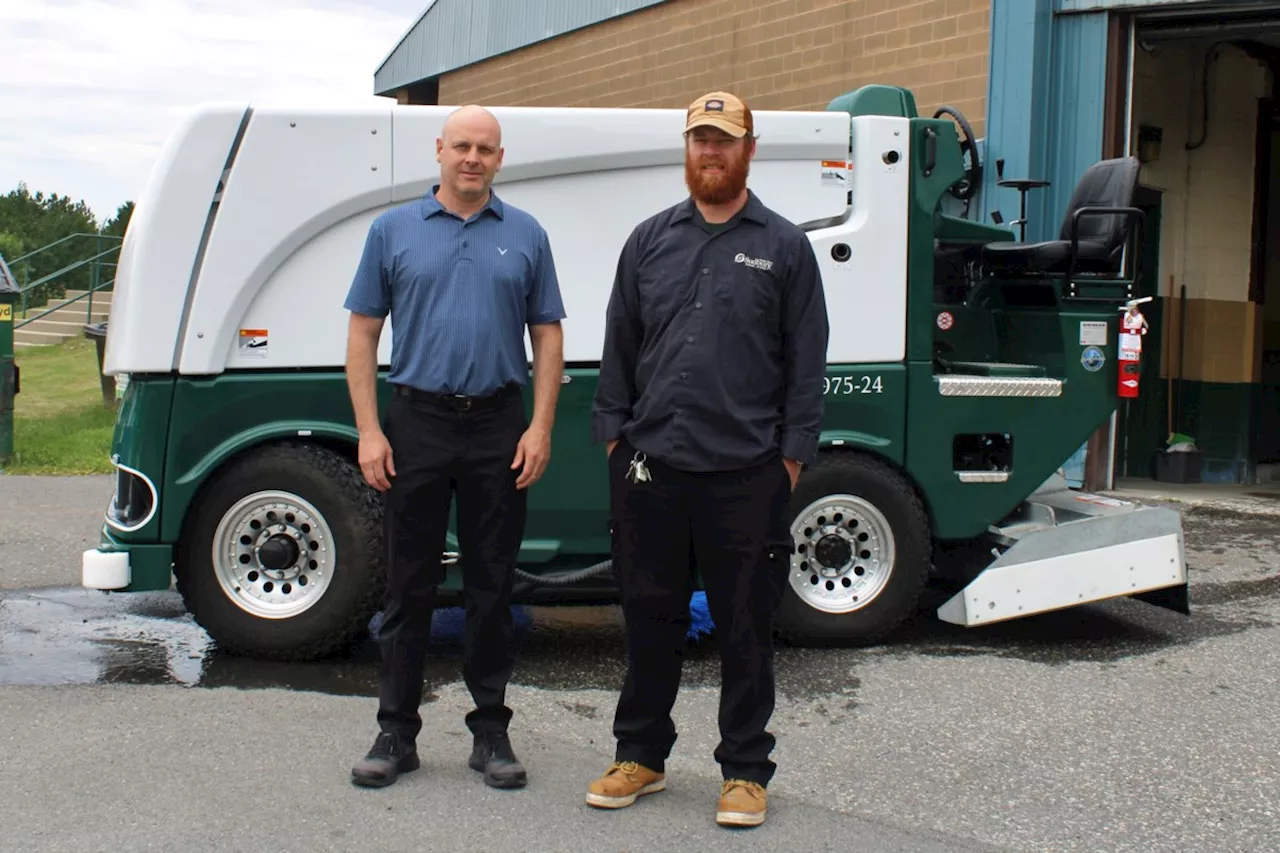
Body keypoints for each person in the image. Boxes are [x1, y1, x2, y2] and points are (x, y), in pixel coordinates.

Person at [585, 91, 830, 827]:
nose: (711, 153)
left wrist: (789, 463)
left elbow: (806, 364)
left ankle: (746, 770)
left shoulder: (784, 247)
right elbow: (620, 344)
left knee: (746, 627)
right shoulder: (649, 240)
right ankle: (641, 755)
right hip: (651, 469)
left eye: (724, 140)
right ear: (686, 150)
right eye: (699, 140)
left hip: (745, 474)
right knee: (649, 617)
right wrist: (615, 438)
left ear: (749, 149)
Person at [343, 104, 567, 790]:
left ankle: (491, 731)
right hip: (416, 422)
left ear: (501, 158)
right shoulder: (393, 231)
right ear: (439, 150)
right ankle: (395, 732)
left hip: (498, 425)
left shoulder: (526, 234)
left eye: (485, 148)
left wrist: (540, 426)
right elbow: (362, 335)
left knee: (491, 584)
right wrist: (370, 429)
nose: (472, 157)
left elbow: (548, 335)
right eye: (461, 145)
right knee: (408, 583)